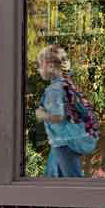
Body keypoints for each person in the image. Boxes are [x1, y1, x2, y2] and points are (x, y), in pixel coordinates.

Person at [35, 44, 95, 178]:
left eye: (40, 65)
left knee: (72, 181)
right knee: (52, 178)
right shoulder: (66, 84)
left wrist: (41, 114)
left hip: (63, 142)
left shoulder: (53, 90)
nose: (39, 70)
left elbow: (58, 116)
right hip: (63, 142)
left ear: (50, 67)